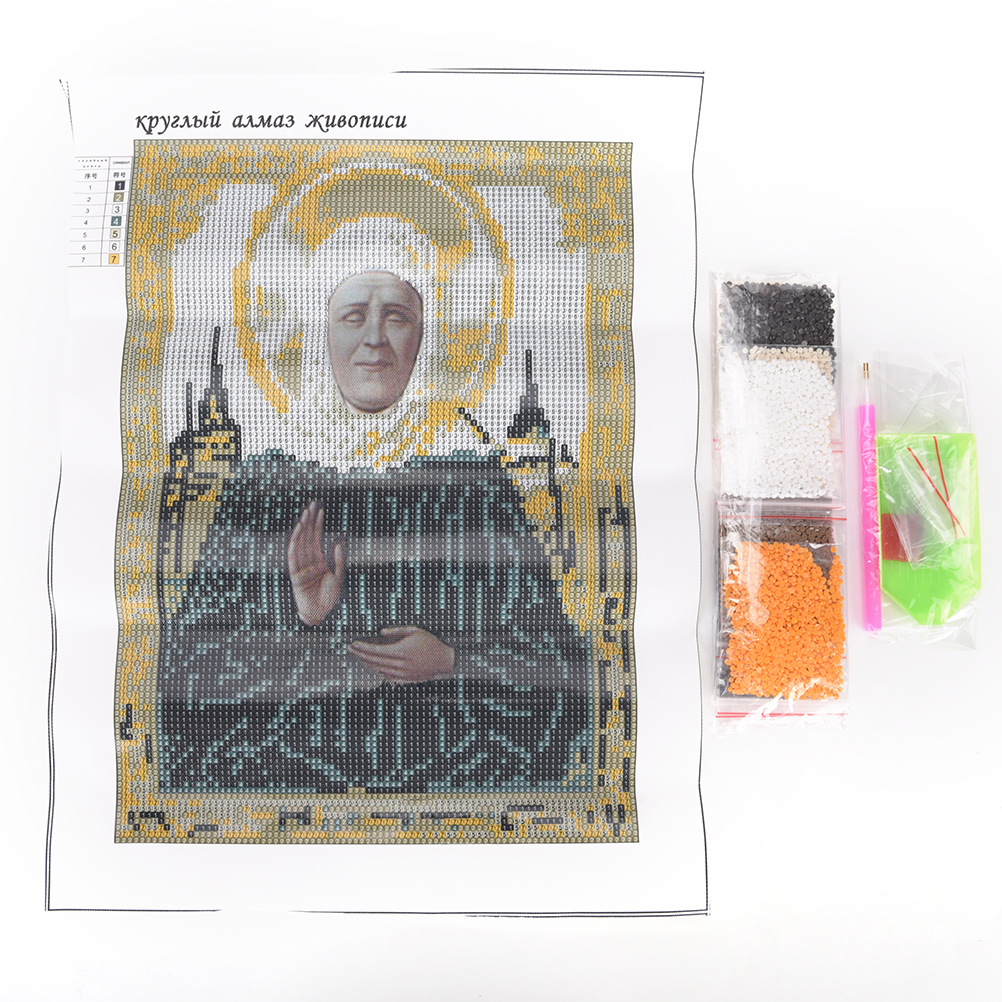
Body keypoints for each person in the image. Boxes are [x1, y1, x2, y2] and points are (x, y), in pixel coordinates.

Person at [158, 271, 591, 795]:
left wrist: (452, 662)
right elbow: (187, 671)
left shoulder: (476, 490)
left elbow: (561, 669)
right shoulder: (264, 490)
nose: (374, 340)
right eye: (353, 317)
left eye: (397, 318)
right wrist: (304, 621)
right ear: (321, 336)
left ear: (424, 339)